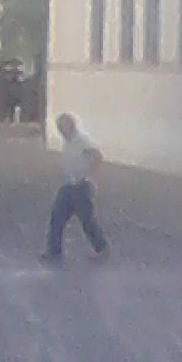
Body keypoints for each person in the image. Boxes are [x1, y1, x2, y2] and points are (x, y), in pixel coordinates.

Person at [41, 112, 109, 262]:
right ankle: (54, 251)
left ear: (71, 126)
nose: (61, 130)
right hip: (68, 185)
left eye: (63, 126)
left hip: (81, 185)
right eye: (59, 127)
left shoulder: (81, 140)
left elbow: (97, 156)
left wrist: (87, 174)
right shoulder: (68, 141)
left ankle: (102, 248)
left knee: (87, 220)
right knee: (57, 217)